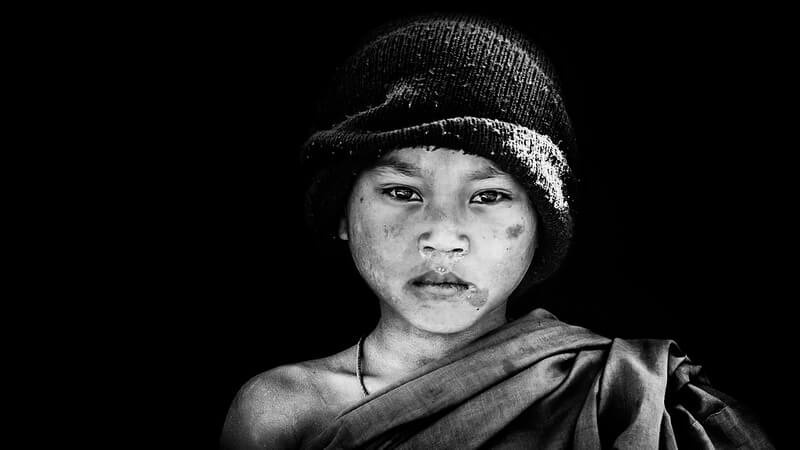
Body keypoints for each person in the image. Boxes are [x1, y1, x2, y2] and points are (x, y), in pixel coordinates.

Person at [220, 13, 773, 449]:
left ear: (541, 226)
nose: (442, 235)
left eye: (488, 197)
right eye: (402, 193)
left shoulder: (633, 403)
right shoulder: (281, 412)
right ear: (342, 213)